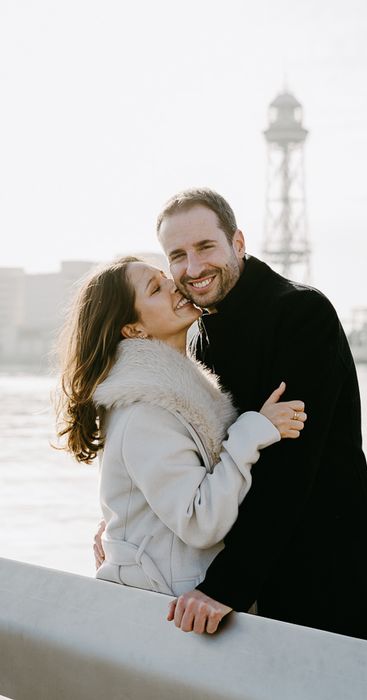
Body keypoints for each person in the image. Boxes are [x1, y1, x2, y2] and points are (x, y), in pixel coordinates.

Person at [151, 187, 367, 644]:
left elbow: (292, 468)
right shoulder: (199, 333)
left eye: (206, 247)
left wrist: (226, 585)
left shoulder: (302, 313)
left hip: (327, 578)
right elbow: (186, 461)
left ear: (238, 243)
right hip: (246, 589)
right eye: (177, 255)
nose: (193, 268)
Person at [56, 256, 306, 615]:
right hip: (167, 612)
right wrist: (253, 430)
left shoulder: (181, 393)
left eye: (164, 277)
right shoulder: (146, 411)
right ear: (134, 329)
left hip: (178, 601)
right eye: (156, 289)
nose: (174, 284)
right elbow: (199, 521)